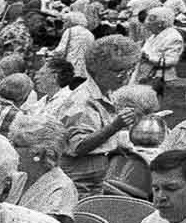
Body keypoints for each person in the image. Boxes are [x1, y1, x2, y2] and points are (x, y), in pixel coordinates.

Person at [60, 35, 142, 195]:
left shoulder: (105, 93)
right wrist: (113, 127)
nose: (125, 76)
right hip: (79, 181)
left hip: (97, 176)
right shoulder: (82, 101)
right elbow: (77, 147)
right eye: (118, 71)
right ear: (97, 69)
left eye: (129, 70)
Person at [4, 113, 78, 218]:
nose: (9, 148)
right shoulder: (17, 178)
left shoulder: (61, 188)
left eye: (16, 145)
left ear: (38, 152)